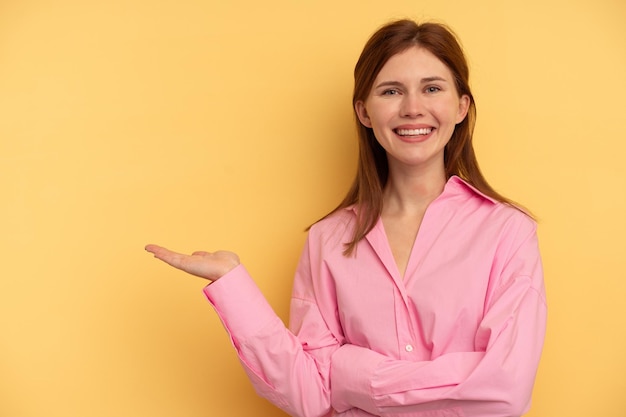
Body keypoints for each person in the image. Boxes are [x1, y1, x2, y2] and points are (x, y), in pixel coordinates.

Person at [146, 19, 547, 417]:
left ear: (461, 107)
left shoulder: (508, 232)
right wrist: (231, 283)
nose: (412, 108)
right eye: (391, 91)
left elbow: (505, 390)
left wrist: (354, 375)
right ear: (365, 112)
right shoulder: (328, 240)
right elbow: (311, 394)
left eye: (432, 88)